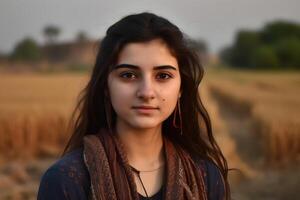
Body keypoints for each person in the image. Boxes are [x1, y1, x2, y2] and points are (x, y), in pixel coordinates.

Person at [37, 12, 230, 200]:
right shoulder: (66, 181)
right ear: (106, 85)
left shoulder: (206, 177)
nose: (146, 92)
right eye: (128, 75)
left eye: (163, 76)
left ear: (181, 88)